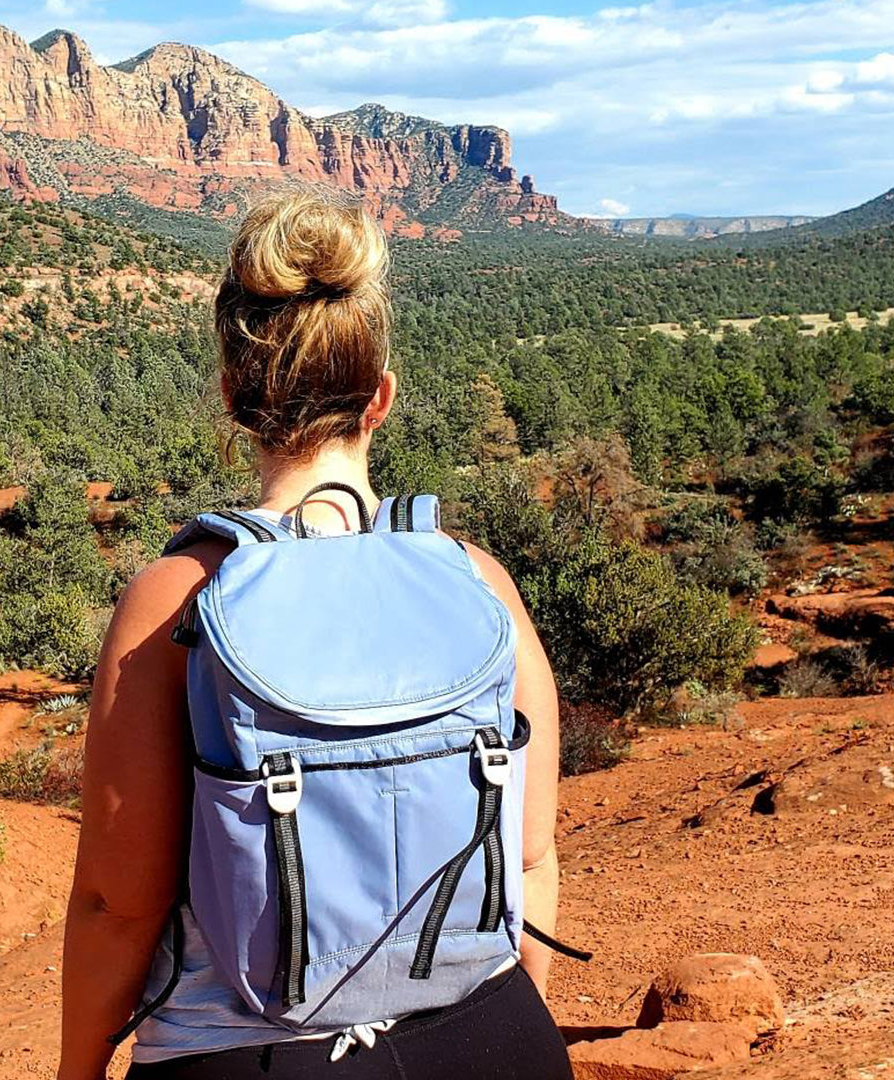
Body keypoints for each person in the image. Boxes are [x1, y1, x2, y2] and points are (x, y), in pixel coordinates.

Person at [57, 190, 573, 1080]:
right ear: (381, 398)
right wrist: (507, 1030)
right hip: (493, 1033)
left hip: (251, 1053)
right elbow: (528, 857)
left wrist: (77, 1069)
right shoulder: (477, 579)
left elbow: (117, 904)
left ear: (233, 396)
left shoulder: (180, 597)